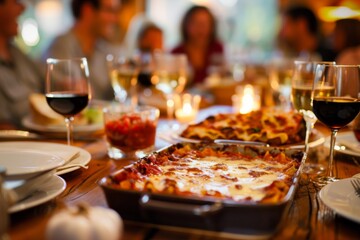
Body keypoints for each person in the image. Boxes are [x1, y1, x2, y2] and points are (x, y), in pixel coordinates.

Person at [43, 0, 122, 100]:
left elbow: (114, 94)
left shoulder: (104, 50)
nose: (116, 19)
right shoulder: (60, 47)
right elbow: (70, 93)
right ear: (87, 11)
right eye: (110, 11)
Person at [0, 0, 44, 128]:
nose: (23, 7)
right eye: (16, 2)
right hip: (20, 145)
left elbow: (49, 88)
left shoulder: (18, 54)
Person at [171, 5, 224, 85]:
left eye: (205, 23)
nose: (201, 28)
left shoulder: (217, 48)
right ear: (186, 25)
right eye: (196, 23)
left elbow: (222, 78)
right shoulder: (177, 52)